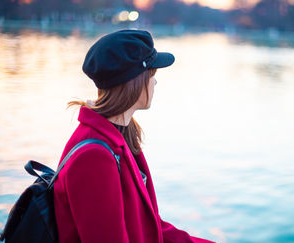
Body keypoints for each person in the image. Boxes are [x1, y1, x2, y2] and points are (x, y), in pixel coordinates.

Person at [53, 29, 215, 243]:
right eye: (152, 75)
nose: (155, 82)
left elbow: (149, 227)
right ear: (135, 80)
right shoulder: (93, 157)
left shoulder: (120, 135)